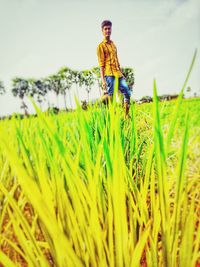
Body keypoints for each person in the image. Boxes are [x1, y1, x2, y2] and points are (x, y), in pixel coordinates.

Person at [97, 20, 132, 118]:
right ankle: (113, 117)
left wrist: (122, 74)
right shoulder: (100, 46)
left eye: (109, 28)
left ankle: (126, 115)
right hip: (109, 74)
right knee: (111, 97)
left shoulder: (113, 45)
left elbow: (117, 61)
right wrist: (103, 80)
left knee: (127, 92)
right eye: (105, 29)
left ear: (111, 29)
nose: (107, 31)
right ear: (102, 31)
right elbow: (101, 64)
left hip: (118, 74)